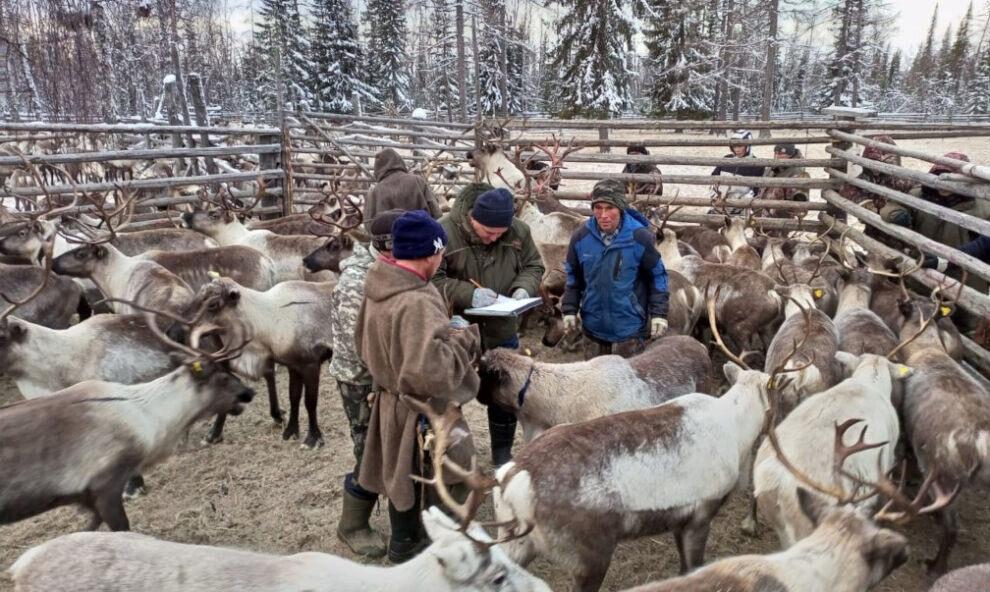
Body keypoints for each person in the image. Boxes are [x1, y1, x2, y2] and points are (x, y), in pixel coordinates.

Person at [355, 210, 481, 564]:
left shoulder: (377, 283)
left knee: (400, 473)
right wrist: (465, 340)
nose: (441, 258)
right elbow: (431, 374)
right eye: (440, 252)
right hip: (424, 411)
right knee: (437, 474)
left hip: (390, 399)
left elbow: (361, 343)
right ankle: (427, 552)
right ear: (431, 252)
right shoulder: (419, 300)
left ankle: (402, 545)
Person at [432, 183, 545, 466]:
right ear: (472, 218)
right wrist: (469, 295)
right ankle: (449, 458)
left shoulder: (518, 231)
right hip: (457, 333)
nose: (493, 239)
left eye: (499, 234)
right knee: (449, 397)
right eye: (487, 232)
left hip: (502, 330)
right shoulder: (443, 232)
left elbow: (534, 265)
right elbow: (433, 279)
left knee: (504, 397)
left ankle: (502, 458)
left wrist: (523, 288)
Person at [330, 209, 405, 559]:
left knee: (392, 447)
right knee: (369, 450)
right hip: (362, 381)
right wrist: (380, 384)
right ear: (387, 247)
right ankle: (353, 525)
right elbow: (359, 345)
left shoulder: (394, 267)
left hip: (390, 376)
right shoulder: (355, 283)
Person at [561, 179, 669, 360]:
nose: (603, 215)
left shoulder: (639, 237)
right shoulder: (581, 238)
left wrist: (659, 314)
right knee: (595, 382)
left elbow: (657, 276)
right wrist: (569, 309)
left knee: (628, 383)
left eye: (609, 208)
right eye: (598, 208)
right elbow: (574, 278)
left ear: (620, 208)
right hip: (593, 327)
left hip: (629, 329)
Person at [838, 136, 913, 248]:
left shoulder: (904, 180)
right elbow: (846, 188)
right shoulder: (866, 176)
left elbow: (917, 196)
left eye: (879, 163)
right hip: (873, 233)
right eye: (872, 162)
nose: (875, 167)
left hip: (899, 236)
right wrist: (863, 202)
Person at [911, 153, 990, 250]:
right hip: (920, 259)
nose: (944, 185)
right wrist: (893, 212)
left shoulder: (983, 207)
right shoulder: (918, 195)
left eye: (952, 179)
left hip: (959, 262)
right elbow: (895, 206)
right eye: (939, 177)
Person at [366, 148, 441, 223]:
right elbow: (436, 212)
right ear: (399, 161)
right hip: (422, 231)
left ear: (377, 168)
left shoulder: (375, 191)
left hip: (391, 234)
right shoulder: (417, 181)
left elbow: (369, 224)